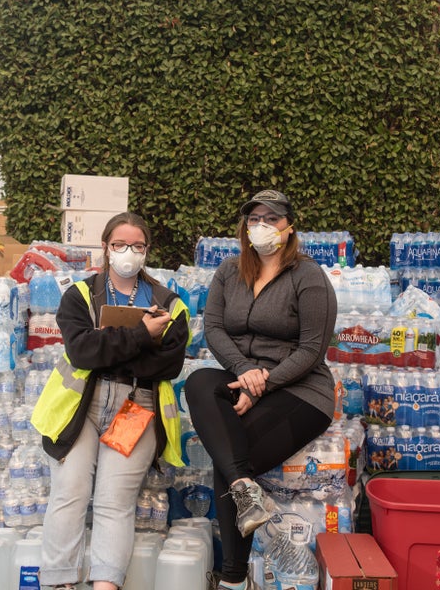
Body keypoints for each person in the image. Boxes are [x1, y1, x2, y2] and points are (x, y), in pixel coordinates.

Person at [184, 189, 337, 590]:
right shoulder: (229, 271)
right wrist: (245, 371)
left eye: (272, 219)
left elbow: (311, 350)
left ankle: (233, 579)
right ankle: (244, 490)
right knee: (200, 381)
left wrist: (263, 383)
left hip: (300, 391)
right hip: (244, 376)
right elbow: (214, 329)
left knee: (231, 456)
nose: (262, 226)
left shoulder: (309, 276)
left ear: (289, 228)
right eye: (254, 219)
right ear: (244, 226)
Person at [31, 212, 190, 590]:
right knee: (69, 492)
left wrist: (111, 345)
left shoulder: (170, 303)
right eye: (120, 244)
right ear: (105, 247)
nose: (128, 252)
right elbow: (83, 351)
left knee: (113, 500)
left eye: (137, 245)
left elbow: (167, 363)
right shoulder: (80, 295)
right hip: (81, 407)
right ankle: (58, 582)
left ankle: (106, 585)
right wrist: (140, 336)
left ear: (147, 251)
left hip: (136, 406)